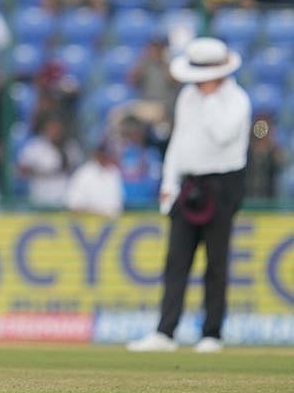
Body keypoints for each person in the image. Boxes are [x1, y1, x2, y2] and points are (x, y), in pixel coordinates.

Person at [128, 37, 250, 354]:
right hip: (189, 182)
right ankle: (165, 331)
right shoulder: (187, 97)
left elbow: (222, 135)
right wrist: (170, 181)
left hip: (223, 182)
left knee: (216, 262)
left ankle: (212, 333)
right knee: (176, 260)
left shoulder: (237, 100)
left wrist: (210, 98)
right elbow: (179, 142)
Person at [66, 141, 123, 217]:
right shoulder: (83, 173)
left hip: (112, 224)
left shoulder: (114, 172)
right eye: (102, 155)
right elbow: (73, 206)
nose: (105, 158)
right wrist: (97, 213)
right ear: (96, 155)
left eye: (107, 155)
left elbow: (117, 206)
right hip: (86, 224)